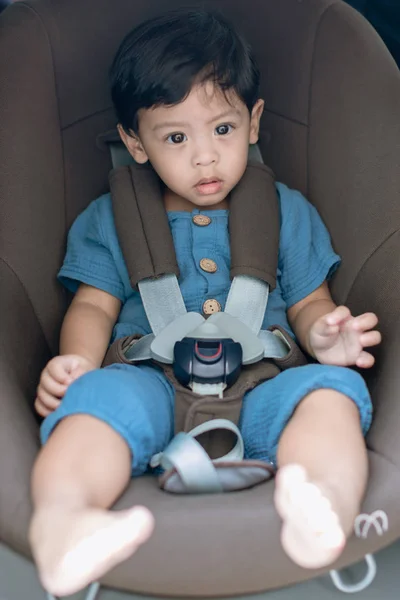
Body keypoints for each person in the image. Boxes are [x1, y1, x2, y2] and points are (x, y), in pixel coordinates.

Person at [28, 9, 381, 597]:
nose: (205, 157)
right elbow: (92, 308)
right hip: (148, 383)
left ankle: (321, 505)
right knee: (92, 408)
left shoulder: (286, 212)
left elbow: (308, 304)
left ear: (253, 122)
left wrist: (325, 335)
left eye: (222, 129)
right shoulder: (111, 221)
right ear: (135, 144)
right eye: (175, 137)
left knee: (331, 398)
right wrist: (78, 366)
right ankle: (66, 521)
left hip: (266, 383)